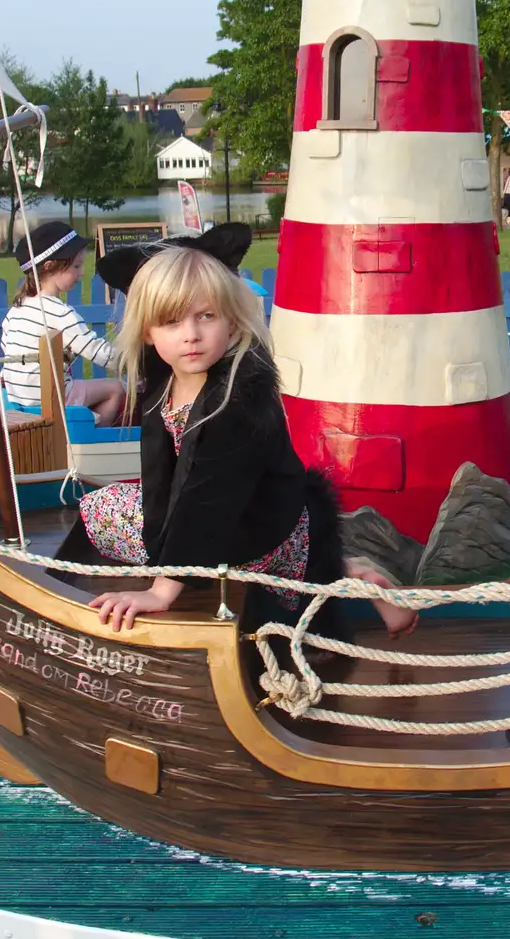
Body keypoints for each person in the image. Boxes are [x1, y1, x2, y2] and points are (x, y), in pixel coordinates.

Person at [78, 223, 416, 639]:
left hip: (253, 527)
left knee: (102, 516)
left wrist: (162, 588)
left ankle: (343, 572)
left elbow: (209, 498)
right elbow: (164, 472)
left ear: (233, 320)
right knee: (104, 506)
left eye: (206, 316)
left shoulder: (237, 400)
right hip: (270, 520)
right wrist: (160, 533)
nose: (191, 335)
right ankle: (349, 571)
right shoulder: (166, 380)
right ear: (148, 331)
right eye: (170, 321)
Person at [0, 220, 124, 425]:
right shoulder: (59, 312)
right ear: (49, 267)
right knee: (115, 388)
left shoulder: (18, 308)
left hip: (17, 397)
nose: (81, 272)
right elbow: (101, 354)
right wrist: (135, 358)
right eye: (76, 266)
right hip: (49, 397)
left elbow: (8, 347)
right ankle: (91, 442)